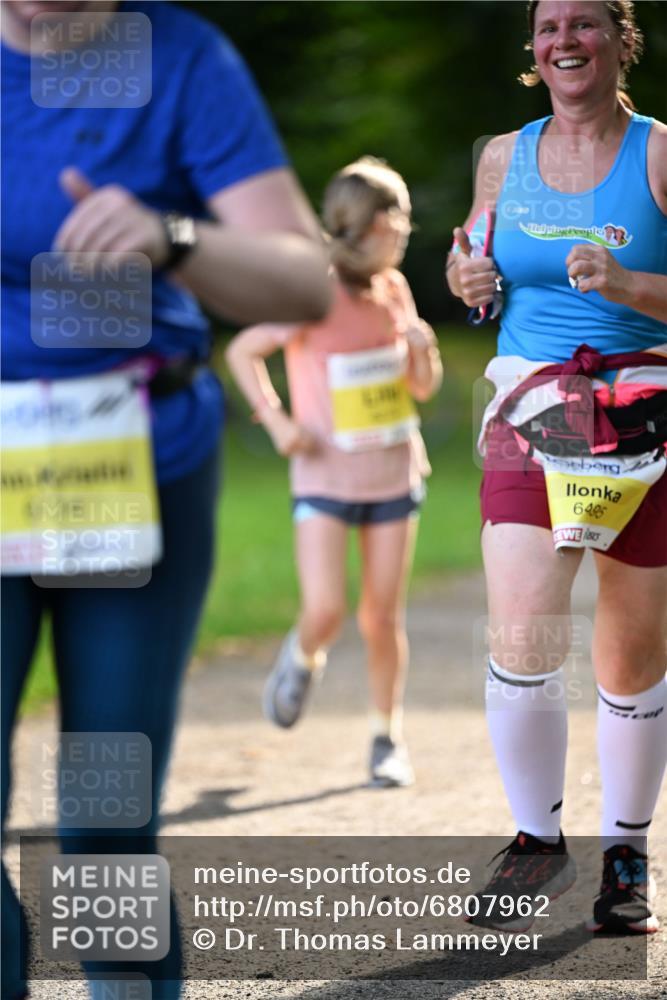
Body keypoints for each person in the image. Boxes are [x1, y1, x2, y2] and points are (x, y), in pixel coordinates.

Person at [1, 2, 330, 998]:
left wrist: (172, 235)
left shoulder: (180, 58)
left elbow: (305, 281)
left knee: (104, 814)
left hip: (127, 463)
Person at [447, 0, 666, 935]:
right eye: (547, 28)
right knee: (523, 632)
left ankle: (626, 854)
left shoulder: (658, 154)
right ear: (531, 52)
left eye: (585, 24)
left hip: (645, 416)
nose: (563, 41)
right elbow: (473, 258)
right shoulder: (501, 154)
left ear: (622, 42)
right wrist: (465, 282)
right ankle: (536, 842)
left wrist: (625, 286)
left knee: (629, 648)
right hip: (530, 405)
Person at [226, 157, 443, 788]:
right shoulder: (311, 291)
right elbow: (243, 350)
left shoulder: (394, 289)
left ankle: (386, 737)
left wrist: (423, 351)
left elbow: (421, 390)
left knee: (381, 617)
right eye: (399, 216)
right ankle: (301, 657)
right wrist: (276, 421)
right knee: (324, 610)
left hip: (394, 474)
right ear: (376, 223)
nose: (407, 228)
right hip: (323, 478)